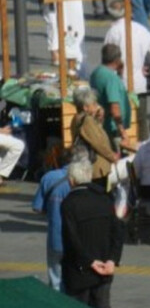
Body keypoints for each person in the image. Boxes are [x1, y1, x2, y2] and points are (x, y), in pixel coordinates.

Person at [61, 159, 124, 307]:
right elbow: (118, 231)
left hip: (79, 271)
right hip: (104, 269)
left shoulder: (70, 203)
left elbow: (70, 238)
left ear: (71, 180)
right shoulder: (105, 198)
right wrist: (112, 259)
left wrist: (89, 261)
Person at [104, 0, 150, 141]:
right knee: (141, 120)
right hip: (140, 81)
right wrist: (146, 63)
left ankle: (125, 147)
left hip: (121, 83)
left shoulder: (113, 31)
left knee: (122, 120)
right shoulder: (139, 28)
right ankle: (144, 147)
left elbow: (107, 55)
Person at [33, 147, 87, 291]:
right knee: (75, 281)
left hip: (55, 237)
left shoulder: (49, 177)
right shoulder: (84, 179)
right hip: (79, 239)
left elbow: (37, 208)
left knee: (55, 279)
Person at [90, 44, 134, 152]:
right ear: (117, 60)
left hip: (102, 125)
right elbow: (114, 107)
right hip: (113, 129)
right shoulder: (111, 78)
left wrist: (119, 73)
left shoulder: (96, 73)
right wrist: (123, 132)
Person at [70, 88, 118, 186]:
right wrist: (112, 156)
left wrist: (98, 118)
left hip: (87, 165)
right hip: (97, 167)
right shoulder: (88, 121)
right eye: (94, 103)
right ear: (85, 107)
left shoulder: (76, 119)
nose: (97, 106)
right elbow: (99, 143)